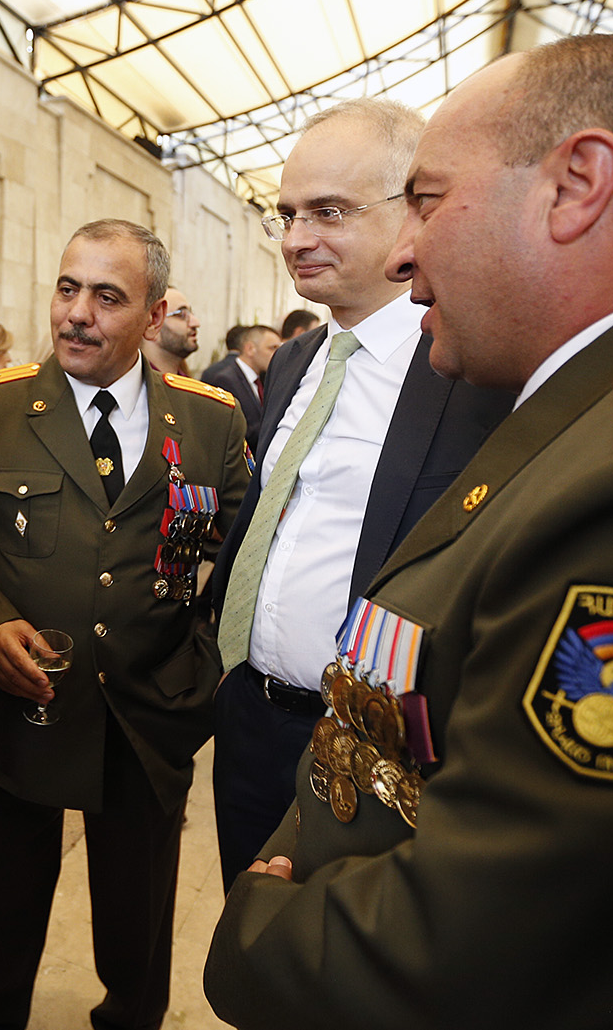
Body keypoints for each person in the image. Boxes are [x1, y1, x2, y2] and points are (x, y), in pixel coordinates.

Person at [205, 34, 613, 1028]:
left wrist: (254, 933)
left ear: (576, 184)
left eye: (429, 201)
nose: (406, 253)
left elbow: (505, 932)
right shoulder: (604, 406)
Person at [0, 219, 249, 1030]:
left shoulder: (210, 421)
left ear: (154, 314)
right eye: (68, 288)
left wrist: (200, 671)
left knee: (139, 944)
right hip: (18, 712)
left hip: (148, 715)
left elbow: (243, 555)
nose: (77, 312)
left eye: (107, 296)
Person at [203, 98, 511, 890]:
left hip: (376, 753)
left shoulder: (472, 373)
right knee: (251, 930)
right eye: (286, 215)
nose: (296, 239)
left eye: (329, 212)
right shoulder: (296, 360)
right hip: (249, 722)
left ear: (411, 212)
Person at [200, 324, 282, 452]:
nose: (277, 354)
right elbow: (236, 432)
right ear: (250, 349)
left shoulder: (263, 379)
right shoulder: (226, 380)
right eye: (272, 348)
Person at [140, 284, 201, 376]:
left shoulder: (186, 382)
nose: (196, 323)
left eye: (191, 313)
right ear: (152, 323)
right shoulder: (134, 382)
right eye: (181, 314)